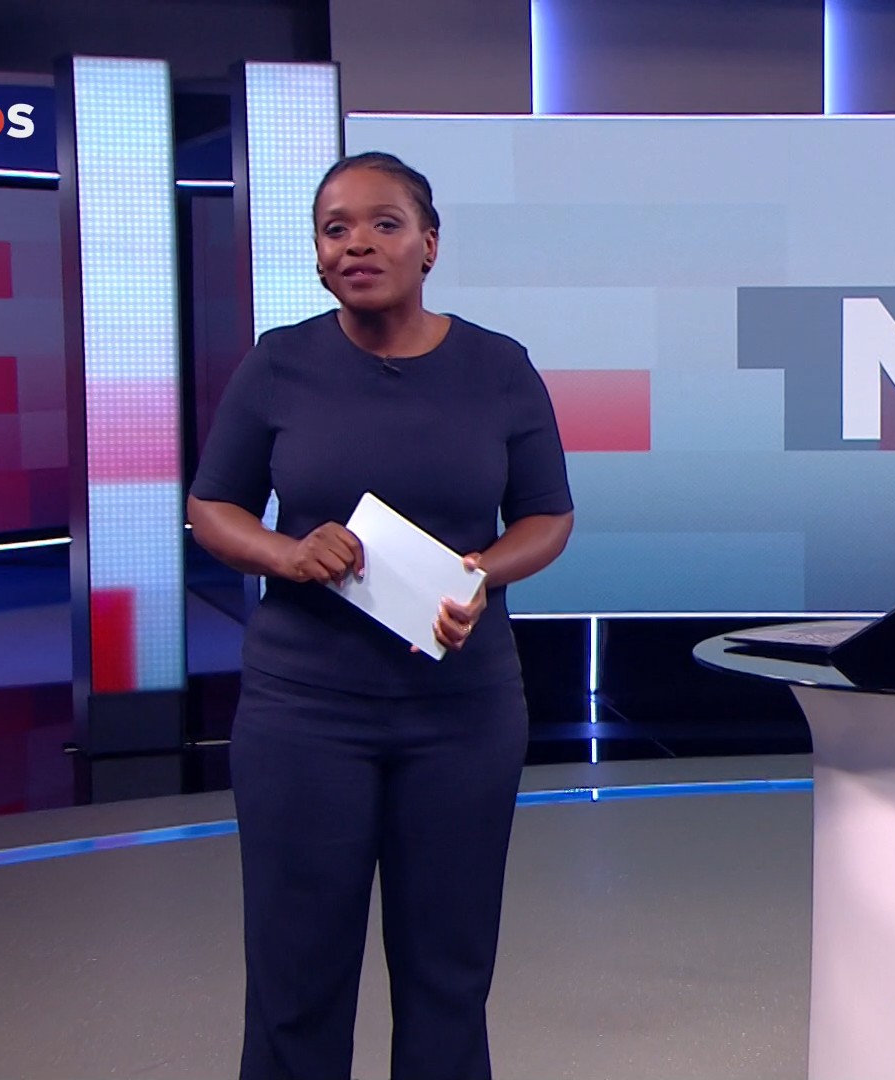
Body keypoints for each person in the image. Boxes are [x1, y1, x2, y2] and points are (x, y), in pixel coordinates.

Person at [187, 151, 575, 1080]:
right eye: (336, 229)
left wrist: (481, 572)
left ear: (429, 244)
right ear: (319, 256)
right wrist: (287, 552)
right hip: (303, 713)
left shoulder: (499, 368)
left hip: (463, 713)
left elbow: (548, 516)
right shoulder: (278, 364)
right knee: (296, 979)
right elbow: (212, 506)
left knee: (448, 977)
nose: (357, 243)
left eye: (384, 224)